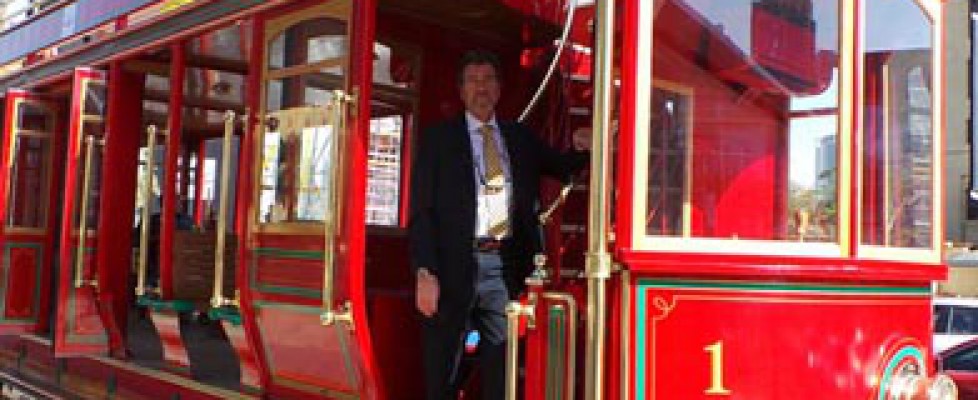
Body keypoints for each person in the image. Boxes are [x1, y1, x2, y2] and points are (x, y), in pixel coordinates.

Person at [409, 49, 588, 400]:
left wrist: (587, 145)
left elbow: (562, 166)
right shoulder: (439, 141)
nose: (482, 88)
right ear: (461, 91)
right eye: (474, 81)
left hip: (502, 269)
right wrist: (424, 271)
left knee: (501, 370)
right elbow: (422, 212)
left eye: (488, 80)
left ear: (499, 89)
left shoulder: (518, 137)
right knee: (443, 370)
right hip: (450, 267)